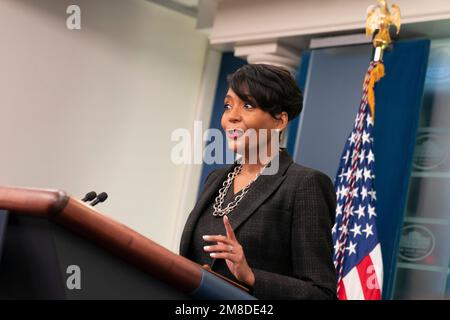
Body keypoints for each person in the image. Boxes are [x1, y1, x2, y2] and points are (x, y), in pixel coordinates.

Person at [179, 64, 337, 299]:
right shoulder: (216, 180)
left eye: (248, 105)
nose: (231, 116)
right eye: (228, 105)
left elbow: (321, 293)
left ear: (279, 121)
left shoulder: (305, 184)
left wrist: (251, 276)